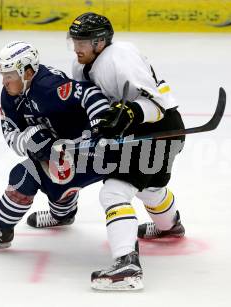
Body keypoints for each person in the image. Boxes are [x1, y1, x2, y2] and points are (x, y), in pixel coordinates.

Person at [67, 12, 186, 290]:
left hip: (159, 129)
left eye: (83, 40)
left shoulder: (119, 57)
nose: (77, 46)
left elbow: (157, 106)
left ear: (100, 42)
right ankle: (170, 226)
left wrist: (130, 112)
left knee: (114, 191)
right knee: (148, 187)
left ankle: (127, 266)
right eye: (74, 40)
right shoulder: (81, 65)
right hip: (147, 135)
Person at [0, 41, 110, 249]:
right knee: (28, 175)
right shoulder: (10, 96)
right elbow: (11, 135)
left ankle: (168, 223)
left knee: (139, 183)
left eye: (9, 75)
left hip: (95, 151)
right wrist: (28, 140)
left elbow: (90, 94)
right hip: (64, 159)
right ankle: (45, 220)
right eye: (3, 75)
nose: (4, 82)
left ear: (27, 72)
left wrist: (100, 124)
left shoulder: (48, 86)